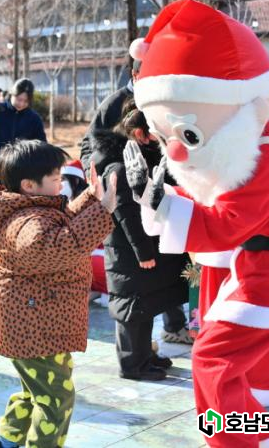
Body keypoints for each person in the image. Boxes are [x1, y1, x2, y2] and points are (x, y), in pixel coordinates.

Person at [125, 0, 269, 447]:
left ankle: (245, 440)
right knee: (218, 360)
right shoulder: (252, 143)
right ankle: (254, 435)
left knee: (213, 359)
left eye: (187, 136)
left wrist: (160, 201)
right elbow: (213, 200)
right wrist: (157, 197)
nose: (176, 150)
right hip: (257, 265)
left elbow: (229, 220)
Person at [0, 140, 116, 448]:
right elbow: (59, 247)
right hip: (34, 325)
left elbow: (63, 223)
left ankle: (6, 440)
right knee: (56, 398)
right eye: (55, 178)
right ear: (29, 185)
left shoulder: (30, 210)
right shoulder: (27, 222)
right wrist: (103, 211)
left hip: (35, 321)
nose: (61, 184)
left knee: (35, 389)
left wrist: (91, 197)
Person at [91, 103, 190, 381]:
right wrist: (143, 252)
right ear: (139, 134)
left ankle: (144, 355)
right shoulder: (119, 167)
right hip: (129, 253)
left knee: (146, 305)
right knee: (131, 309)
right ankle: (132, 364)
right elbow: (128, 215)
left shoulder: (137, 159)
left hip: (140, 250)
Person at [59, 160, 108, 307]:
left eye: (62, 179)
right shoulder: (66, 203)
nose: (60, 184)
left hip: (96, 260)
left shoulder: (87, 204)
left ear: (75, 181)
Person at [0, 78, 46, 158]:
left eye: (26, 101)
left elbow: (41, 146)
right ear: (12, 93)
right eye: (19, 99)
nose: (21, 104)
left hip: (22, 164)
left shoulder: (34, 119)